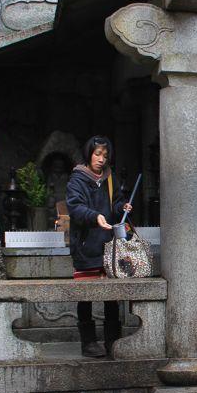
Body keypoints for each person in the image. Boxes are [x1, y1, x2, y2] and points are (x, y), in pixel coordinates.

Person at [65, 135, 133, 357]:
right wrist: (95, 217)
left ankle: (113, 341)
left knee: (111, 296)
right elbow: (75, 208)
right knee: (86, 295)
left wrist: (123, 206)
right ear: (89, 154)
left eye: (105, 155)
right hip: (85, 245)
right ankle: (88, 342)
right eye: (97, 154)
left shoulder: (109, 177)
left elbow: (115, 204)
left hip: (108, 247)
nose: (101, 159)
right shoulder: (77, 179)